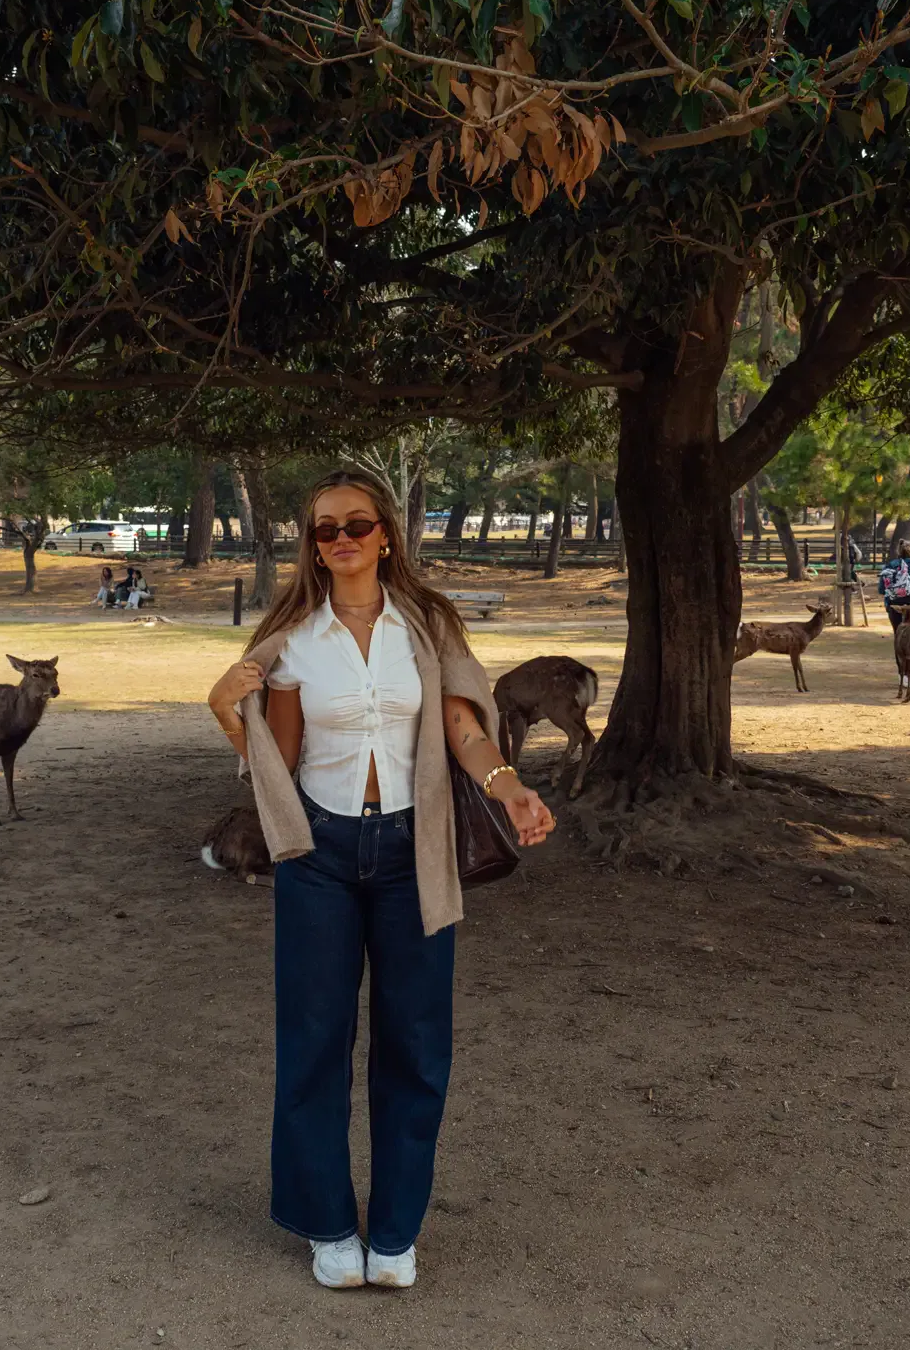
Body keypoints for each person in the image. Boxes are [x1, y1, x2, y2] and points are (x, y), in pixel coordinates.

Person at [207, 470, 555, 1292]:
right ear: (311, 546)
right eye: (324, 529)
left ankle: (395, 1233)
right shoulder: (293, 638)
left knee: (416, 1042)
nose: (341, 539)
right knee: (313, 1041)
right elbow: (278, 761)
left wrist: (508, 785)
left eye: (356, 524)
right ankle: (327, 1224)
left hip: (412, 851)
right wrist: (226, 712)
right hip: (319, 855)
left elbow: (464, 726)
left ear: (386, 535)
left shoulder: (425, 626)